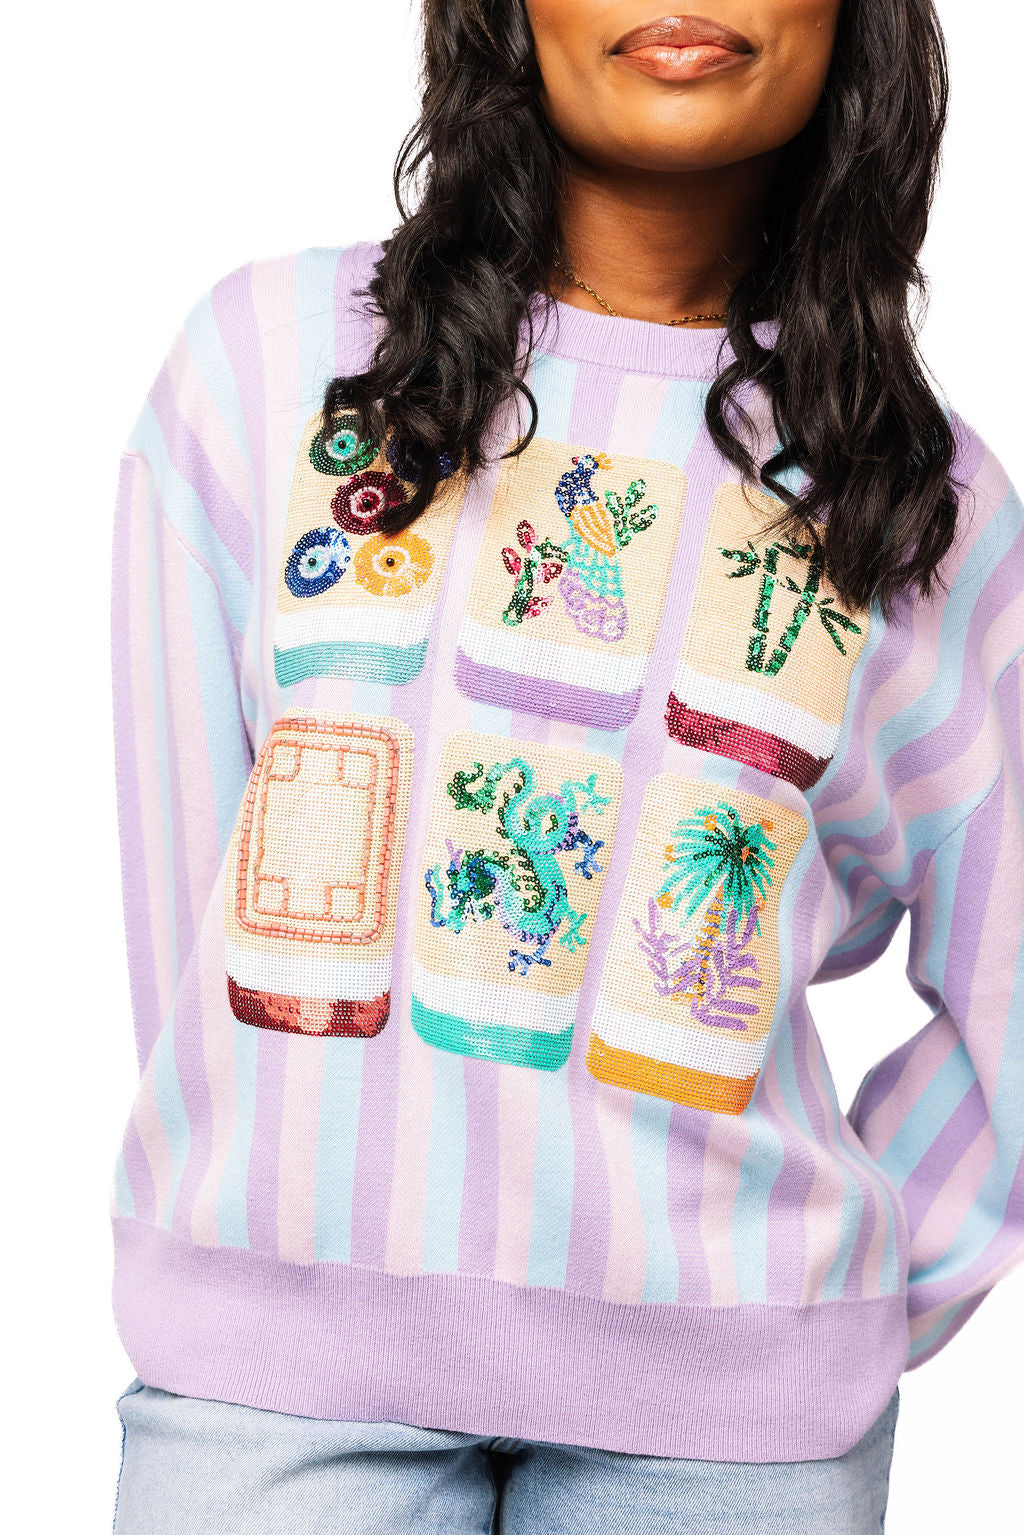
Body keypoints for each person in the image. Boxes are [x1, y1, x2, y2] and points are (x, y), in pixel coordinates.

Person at [108, 2, 1023, 1531]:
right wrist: (264, 1239)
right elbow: (189, 920)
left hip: (731, 1445)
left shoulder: (924, 507)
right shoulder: (266, 368)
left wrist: (835, 1303)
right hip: (269, 1401)